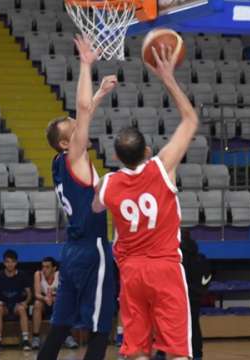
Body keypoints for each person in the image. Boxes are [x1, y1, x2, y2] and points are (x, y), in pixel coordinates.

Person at [92, 44, 199, 360]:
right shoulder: (161, 166)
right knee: (177, 350)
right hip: (164, 267)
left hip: (131, 271)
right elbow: (190, 121)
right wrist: (167, 78)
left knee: (135, 348)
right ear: (148, 150)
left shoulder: (108, 183)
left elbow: (95, 207)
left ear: (116, 157)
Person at [39, 34, 117, 360]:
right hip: (92, 248)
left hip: (70, 252)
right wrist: (86, 65)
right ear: (65, 143)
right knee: (101, 325)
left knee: (60, 324)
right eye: (71, 126)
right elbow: (83, 109)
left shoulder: (59, 163)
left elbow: (84, 113)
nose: (76, 121)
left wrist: (99, 94)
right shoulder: (74, 157)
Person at [154, 230, 212, 360]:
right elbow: (206, 280)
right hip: (195, 298)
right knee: (194, 326)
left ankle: (163, 353)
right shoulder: (201, 258)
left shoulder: (175, 258)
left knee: (168, 325)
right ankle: (196, 354)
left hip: (177, 297)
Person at [31, 256, 78, 350]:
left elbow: (66, 293)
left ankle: (67, 336)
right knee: (37, 304)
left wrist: (54, 298)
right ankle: (35, 337)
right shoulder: (38, 274)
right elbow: (37, 294)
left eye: (47, 267)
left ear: (54, 268)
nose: (44, 269)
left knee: (64, 304)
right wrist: (45, 298)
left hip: (57, 302)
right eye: (43, 267)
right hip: (44, 302)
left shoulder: (60, 275)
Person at [0, 249, 32, 351]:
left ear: (16, 263)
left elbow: (29, 294)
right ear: (4, 263)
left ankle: (26, 341)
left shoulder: (22, 275)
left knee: (22, 309)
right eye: (7, 262)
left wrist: (25, 302)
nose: (10, 264)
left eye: (12, 262)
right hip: (4, 306)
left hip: (17, 305)